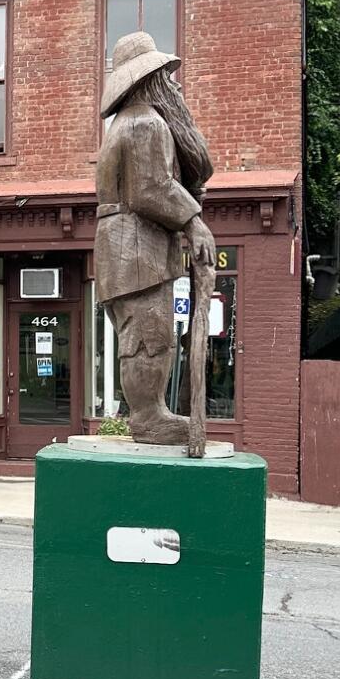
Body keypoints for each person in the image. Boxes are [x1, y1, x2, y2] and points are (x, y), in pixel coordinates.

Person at [94, 31, 216, 446]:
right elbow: (151, 188)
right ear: (150, 81)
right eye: (167, 74)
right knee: (149, 334)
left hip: (132, 246)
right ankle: (147, 417)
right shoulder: (145, 121)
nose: (176, 83)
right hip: (134, 247)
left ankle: (151, 411)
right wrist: (193, 221)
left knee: (149, 332)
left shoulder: (130, 122)